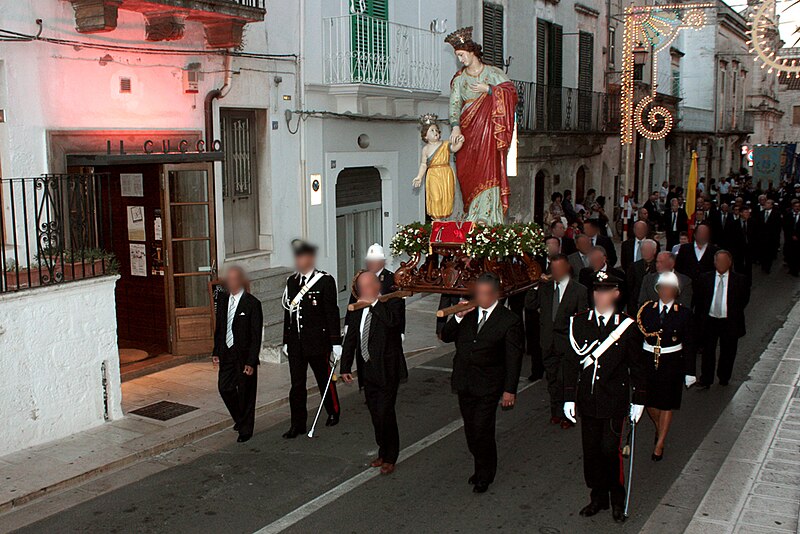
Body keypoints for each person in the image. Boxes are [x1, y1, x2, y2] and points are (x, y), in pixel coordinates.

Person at [563, 271, 647, 523]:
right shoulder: (579, 322)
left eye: (605, 291)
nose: (599, 295)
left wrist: (639, 400)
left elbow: (638, 366)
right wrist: (569, 397)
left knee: (610, 451)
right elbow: (570, 363)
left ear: (616, 294)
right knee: (591, 452)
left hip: (614, 400)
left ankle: (617, 499)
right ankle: (597, 497)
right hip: (588, 399)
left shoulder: (627, 327)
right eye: (596, 290)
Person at [440, 273, 524, 493]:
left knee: (482, 429)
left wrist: (509, 390)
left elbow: (513, 359)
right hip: (464, 380)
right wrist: (458, 316)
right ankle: (480, 467)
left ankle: (485, 473)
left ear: (496, 294)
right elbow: (445, 335)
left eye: (485, 293)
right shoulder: (467, 313)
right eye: (478, 293)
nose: (481, 297)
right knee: (471, 430)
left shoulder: (509, 321)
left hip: (489, 384)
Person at [446, 26, 517, 224]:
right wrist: (455, 126)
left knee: (489, 167)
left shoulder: (493, 73)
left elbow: (511, 93)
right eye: (458, 56)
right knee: (466, 171)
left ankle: (488, 216)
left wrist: (490, 90)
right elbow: (454, 104)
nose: (460, 59)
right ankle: (472, 213)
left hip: (489, 129)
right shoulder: (460, 80)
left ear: (472, 52)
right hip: (469, 129)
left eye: (461, 55)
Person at [340, 272, 408, 475]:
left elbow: (393, 323)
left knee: (385, 413)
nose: (367, 289)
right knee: (375, 414)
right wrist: (345, 367)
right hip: (367, 369)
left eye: (370, 284)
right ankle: (382, 449)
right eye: (363, 286)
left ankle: (390, 456)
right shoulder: (356, 308)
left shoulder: (393, 301)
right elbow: (351, 338)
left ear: (378, 284)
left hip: (388, 370)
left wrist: (375, 304)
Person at [281, 240, 342, 438]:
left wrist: (335, 342)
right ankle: (297, 424)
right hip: (297, 343)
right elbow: (288, 313)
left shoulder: (324, 281)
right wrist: (286, 340)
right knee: (297, 385)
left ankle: (333, 411)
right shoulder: (292, 282)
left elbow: (331, 313)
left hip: (318, 341)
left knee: (324, 379)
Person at [638, 272, 697, 462]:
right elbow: (639, 337)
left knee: (666, 403)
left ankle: (660, 443)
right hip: (649, 360)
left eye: (669, 288)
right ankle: (659, 428)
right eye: (662, 288)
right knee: (650, 402)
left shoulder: (684, 313)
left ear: (676, 291)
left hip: (672, 362)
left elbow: (689, 344)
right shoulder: (647, 310)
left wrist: (690, 371)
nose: (665, 292)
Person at [525, 255, 588, 428]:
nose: (556, 273)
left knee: (566, 380)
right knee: (552, 379)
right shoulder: (545, 288)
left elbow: (582, 320)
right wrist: (535, 285)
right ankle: (556, 411)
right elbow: (530, 305)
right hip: (547, 341)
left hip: (567, 343)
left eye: (559, 269)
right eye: (553, 270)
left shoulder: (579, 290)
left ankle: (568, 415)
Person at [212, 266, 263, 443]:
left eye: (234, 279)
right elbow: (220, 327)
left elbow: (256, 336)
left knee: (246, 393)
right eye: (229, 279)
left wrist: (251, 361)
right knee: (224, 387)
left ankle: (246, 429)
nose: (231, 282)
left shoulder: (252, 304)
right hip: (227, 352)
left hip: (244, 356)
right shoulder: (224, 299)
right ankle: (240, 418)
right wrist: (216, 351)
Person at [695, 251, 750, 388]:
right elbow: (699, 300)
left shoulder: (740, 280)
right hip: (710, 320)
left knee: (728, 351)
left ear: (730, 263)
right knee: (708, 351)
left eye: (724, 261)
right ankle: (706, 379)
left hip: (729, 321)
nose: (721, 264)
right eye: (718, 261)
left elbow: (743, 300)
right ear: (714, 262)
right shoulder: (704, 278)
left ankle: (724, 376)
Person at [412, 115, 463, 220]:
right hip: (433, 174)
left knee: (446, 197)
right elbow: (423, 164)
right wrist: (419, 177)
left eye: (436, 130)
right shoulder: (426, 149)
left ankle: (443, 219)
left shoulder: (445, 144)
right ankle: (436, 219)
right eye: (431, 130)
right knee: (436, 197)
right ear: (425, 136)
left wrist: (460, 141)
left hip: (446, 172)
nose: (435, 132)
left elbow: (454, 148)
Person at [578, 246, 626, 310]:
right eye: (592, 260)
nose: (593, 263)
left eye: (596, 260)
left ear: (604, 259)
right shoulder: (585, 273)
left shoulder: (617, 274)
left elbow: (622, 297)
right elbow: (583, 294)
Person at [625, 238, 658, 313]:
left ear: (654, 251)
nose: (645, 252)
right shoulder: (634, 266)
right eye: (643, 250)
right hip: (636, 304)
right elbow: (629, 287)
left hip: (653, 304)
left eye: (648, 250)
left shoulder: (658, 266)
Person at [757, 198, 782, 273]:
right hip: (762, 237)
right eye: (766, 203)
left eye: (768, 203)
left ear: (771, 205)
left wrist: (776, 239)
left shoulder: (776, 214)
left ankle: (767, 267)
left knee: (769, 254)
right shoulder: (761, 213)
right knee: (762, 252)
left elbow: (778, 228)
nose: (765, 204)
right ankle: (763, 265)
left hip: (771, 238)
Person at [784, 199, 800, 277]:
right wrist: (791, 235)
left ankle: (796, 270)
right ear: (793, 207)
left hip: (798, 239)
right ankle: (791, 268)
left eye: (798, 206)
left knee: (797, 254)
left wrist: (797, 236)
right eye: (795, 206)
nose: (797, 208)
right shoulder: (788, 215)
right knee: (790, 254)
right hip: (790, 239)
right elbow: (786, 227)